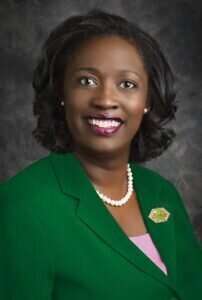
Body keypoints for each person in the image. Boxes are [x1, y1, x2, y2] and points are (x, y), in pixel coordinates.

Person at [0, 8, 201, 300]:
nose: (106, 99)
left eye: (127, 84)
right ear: (61, 94)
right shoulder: (21, 206)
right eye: (86, 81)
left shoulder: (161, 193)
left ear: (147, 100)